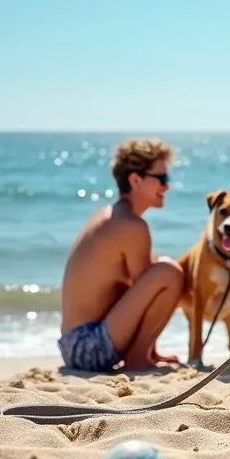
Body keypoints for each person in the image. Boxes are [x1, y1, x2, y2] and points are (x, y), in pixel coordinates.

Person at [59, 138, 184, 371]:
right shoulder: (131, 225)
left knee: (157, 268)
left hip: (74, 345)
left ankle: (146, 353)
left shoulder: (112, 216)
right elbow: (147, 293)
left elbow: (137, 291)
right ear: (135, 180)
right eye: (162, 178)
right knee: (168, 272)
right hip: (88, 347)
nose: (167, 186)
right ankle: (138, 358)